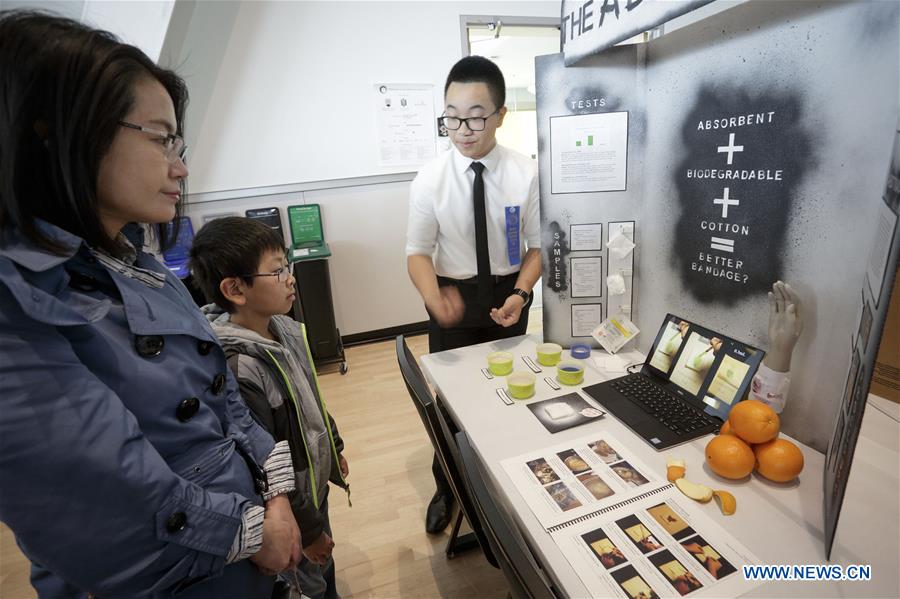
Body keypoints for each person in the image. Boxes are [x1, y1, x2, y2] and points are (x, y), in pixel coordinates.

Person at [0, 12, 301, 597]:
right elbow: (105, 499)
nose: (179, 166)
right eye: (161, 138)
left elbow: (220, 396)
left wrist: (276, 494)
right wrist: (253, 533)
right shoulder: (18, 303)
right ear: (61, 133)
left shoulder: (132, 258)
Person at [406, 55, 542, 533]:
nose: (462, 130)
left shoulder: (526, 173)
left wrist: (521, 293)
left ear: (501, 115)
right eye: (452, 117)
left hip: (509, 296)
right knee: (450, 403)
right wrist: (433, 298)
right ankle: (446, 487)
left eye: (476, 117)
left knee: (510, 393)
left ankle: (508, 485)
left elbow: (538, 247)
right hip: (453, 299)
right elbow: (417, 253)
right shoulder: (430, 179)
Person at [190, 217, 350, 599]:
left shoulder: (283, 329)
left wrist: (334, 446)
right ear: (235, 289)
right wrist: (308, 530)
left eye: (287, 266)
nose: (290, 278)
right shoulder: (240, 367)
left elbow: (310, 397)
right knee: (308, 580)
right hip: (292, 505)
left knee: (323, 565)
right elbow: (265, 462)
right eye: (277, 271)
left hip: (311, 490)